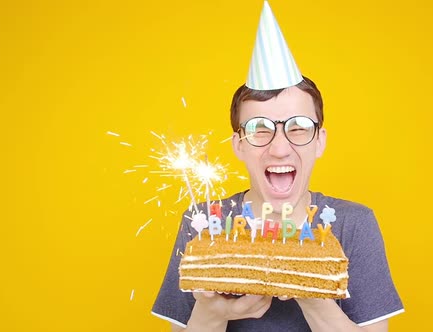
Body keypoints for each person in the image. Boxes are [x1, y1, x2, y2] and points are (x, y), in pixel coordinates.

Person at [152, 2, 403, 331]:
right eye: (259, 129)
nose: (280, 147)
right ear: (238, 145)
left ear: (319, 141)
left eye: (298, 126)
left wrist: (312, 291)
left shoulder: (353, 226)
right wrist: (213, 313)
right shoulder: (203, 224)